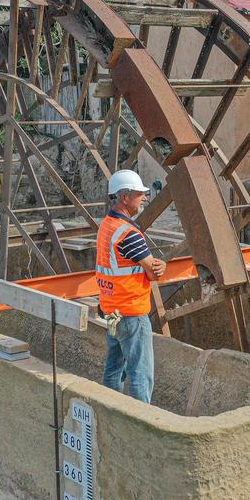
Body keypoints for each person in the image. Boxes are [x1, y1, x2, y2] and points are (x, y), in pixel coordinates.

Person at [96, 169, 167, 403]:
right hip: (131, 313)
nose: (144, 197)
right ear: (125, 197)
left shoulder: (107, 226)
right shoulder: (129, 234)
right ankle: (140, 419)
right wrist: (161, 266)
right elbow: (153, 272)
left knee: (114, 370)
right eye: (139, 194)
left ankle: (109, 409)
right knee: (140, 375)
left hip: (112, 311)